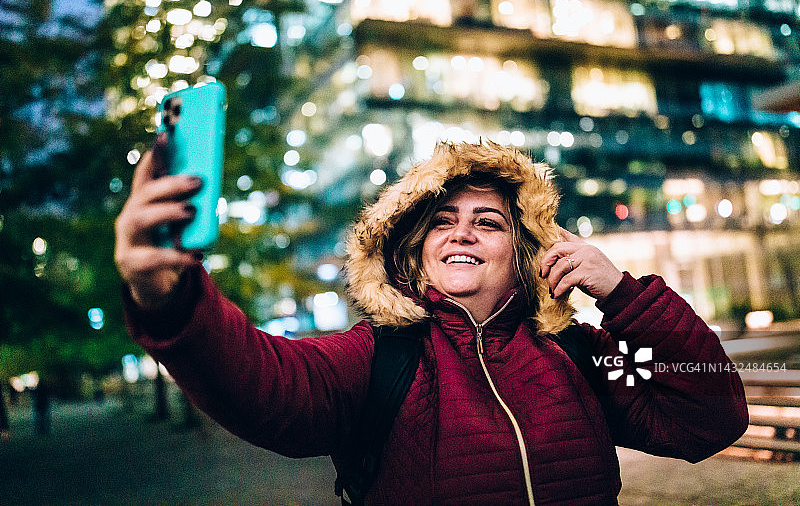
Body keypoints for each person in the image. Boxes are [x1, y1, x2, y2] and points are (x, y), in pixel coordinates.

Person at [116, 138, 748, 505]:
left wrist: (624, 296)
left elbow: (708, 419)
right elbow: (265, 385)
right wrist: (172, 300)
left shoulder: (577, 353)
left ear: (523, 251)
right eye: (442, 222)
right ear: (417, 253)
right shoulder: (379, 357)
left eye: (488, 222)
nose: (462, 233)